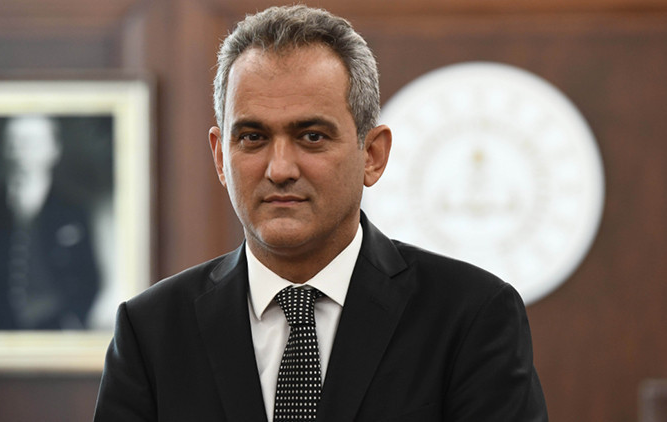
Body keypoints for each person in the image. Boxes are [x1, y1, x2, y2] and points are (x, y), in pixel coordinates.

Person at [94, 5, 547, 421]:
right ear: (219, 157)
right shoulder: (151, 331)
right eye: (252, 137)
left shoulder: (470, 316)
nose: (280, 169)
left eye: (311, 136)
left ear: (372, 155)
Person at [0, 115, 100, 330]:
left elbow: (88, 278)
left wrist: (73, 321)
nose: (23, 150)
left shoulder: (73, 212)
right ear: (5, 148)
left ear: (54, 149)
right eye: (15, 141)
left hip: (55, 330)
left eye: (33, 142)